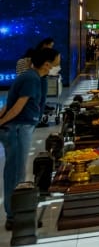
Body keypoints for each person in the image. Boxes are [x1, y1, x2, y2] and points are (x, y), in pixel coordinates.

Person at [0, 46, 60, 230]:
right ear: (47, 64)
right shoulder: (31, 79)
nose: (58, 65)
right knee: (16, 172)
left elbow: (9, 104)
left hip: (19, 127)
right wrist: (2, 121)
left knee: (16, 170)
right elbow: (17, 107)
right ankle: (15, 215)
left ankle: (16, 211)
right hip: (18, 129)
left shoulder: (34, 78)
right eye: (57, 61)